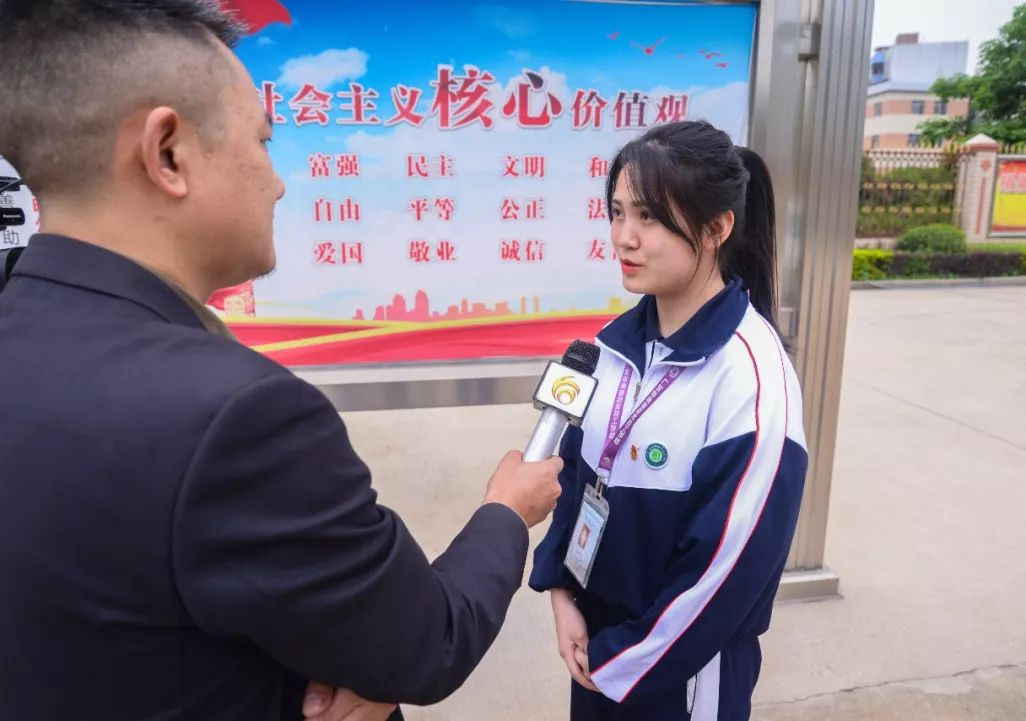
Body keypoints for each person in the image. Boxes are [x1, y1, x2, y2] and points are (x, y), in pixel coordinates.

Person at [0, 2, 562, 720]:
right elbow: (428, 642)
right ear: (167, 152)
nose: (279, 181)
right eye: (263, 141)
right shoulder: (238, 415)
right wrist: (506, 511)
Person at [529, 121, 809, 721]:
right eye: (617, 211)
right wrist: (562, 590)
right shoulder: (609, 346)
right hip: (598, 648)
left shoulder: (753, 381)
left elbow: (725, 575)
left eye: (650, 216)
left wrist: (621, 661)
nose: (623, 237)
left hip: (681, 672)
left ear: (716, 228)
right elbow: (574, 479)